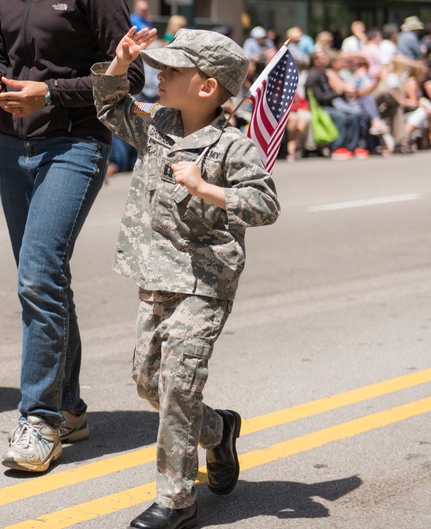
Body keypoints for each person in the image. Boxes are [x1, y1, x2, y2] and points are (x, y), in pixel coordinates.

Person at [0, 0, 144, 472]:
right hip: (12, 146)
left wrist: (49, 92)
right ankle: (69, 406)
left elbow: (131, 76)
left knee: (39, 277)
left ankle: (38, 420)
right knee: (45, 279)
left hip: (74, 145)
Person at [93, 27, 280, 529]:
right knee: (148, 383)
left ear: (207, 87)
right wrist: (118, 62)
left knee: (177, 386)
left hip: (204, 282)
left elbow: (265, 205)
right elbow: (111, 109)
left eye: (172, 70)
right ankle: (219, 431)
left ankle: (176, 501)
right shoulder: (158, 124)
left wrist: (205, 188)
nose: (160, 75)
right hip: (156, 276)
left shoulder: (231, 148)